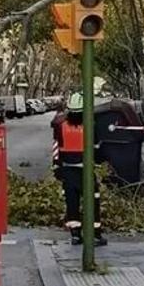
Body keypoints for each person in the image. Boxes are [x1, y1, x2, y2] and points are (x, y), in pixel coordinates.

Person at [52, 93, 105, 246]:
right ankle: (95, 235)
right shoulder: (90, 125)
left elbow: (56, 148)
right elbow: (97, 149)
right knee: (93, 203)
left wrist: (57, 167)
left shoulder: (61, 126)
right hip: (86, 171)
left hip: (68, 171)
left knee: (72, 204)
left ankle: (75, 235)